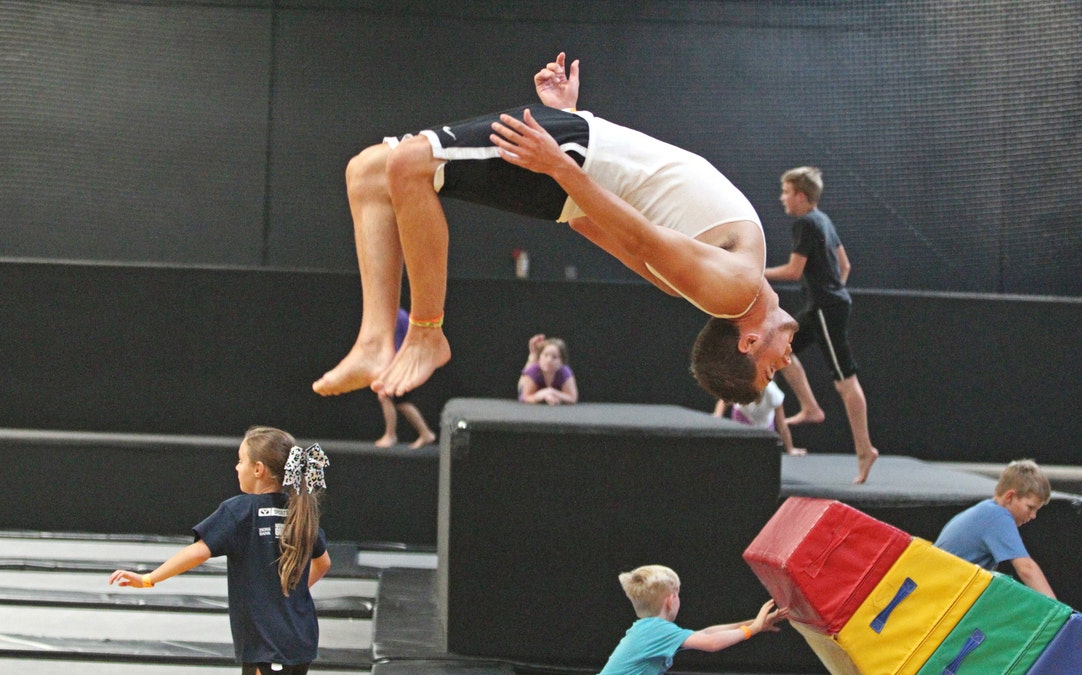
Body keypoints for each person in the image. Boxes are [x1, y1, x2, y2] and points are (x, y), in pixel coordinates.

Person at [311, 52, 797, 406]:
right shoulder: (703, 283)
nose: (788, 361)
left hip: (577, 163)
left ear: (748, 343)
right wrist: (566, 121)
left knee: (406, 165)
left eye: (773, 367)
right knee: (370, 170)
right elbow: (598, 226)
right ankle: (375, 339)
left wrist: (561, 163)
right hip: (577, 165)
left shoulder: (735, 292)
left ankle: (425, 332)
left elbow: (638, 237)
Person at [109, 427, 333, 675]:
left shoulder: (240, 511)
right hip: (301, 638)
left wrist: (148, 579)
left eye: (240, 461)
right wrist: (287, 594)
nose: (237, 467)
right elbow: (323, 563)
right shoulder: (300, 513)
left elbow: (198, 552)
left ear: (258, 470)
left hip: (268, 644)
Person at [763, 166, 879, 484]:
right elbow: (845, 265)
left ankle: (864, 450)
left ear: (801, 196)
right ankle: (811, 407)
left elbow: (793, 271)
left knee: (845, 381)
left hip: (825, 309)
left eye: (786, 192)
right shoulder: (823, 220)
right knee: (779, 349)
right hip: (822, 307)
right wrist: (834, 291)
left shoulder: (806, 222)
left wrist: (757, 272)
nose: (782, 198)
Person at [599, 564, 788, 674]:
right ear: (671, 601)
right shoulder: (655, 630)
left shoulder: (650, 630)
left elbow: (706, 633)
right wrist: (752, 629)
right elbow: (712, 642)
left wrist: (755, 623)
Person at [934, 459, 1057, 598]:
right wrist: (1061, 613)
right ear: (1010, 496)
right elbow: (1026, 568)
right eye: (1030, 507)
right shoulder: (997, 516)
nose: (1033, 516)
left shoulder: (985, 510)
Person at [375, 307, 438, 448]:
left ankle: (391, 435)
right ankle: (425, 433)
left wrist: (393, 366)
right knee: (398, 402)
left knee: (389, 398)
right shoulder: (398, 316)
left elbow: (398, 343)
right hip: (400, 363)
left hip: (399, 364)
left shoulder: (397, 317)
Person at [713, 379, 804, 455]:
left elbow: (781, 425)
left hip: (765, 426)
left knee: (762, 453)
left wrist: (790, 449)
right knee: (740, 449)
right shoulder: (741, 387)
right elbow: (723, 402)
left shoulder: (773, 393)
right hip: (742, 417)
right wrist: (716, 420)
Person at [518, 333, 579, 405]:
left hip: (551, 393)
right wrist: (541, 396)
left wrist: (552, 392)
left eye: (554, 357)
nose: (549, 360)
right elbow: (526, 397)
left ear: (562, 361)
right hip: (529, 387)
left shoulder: (565, 372)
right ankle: (532, 357)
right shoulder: (533, 371)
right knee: (524, 379)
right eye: (545, 355)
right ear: (540, 357)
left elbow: (572, 398)